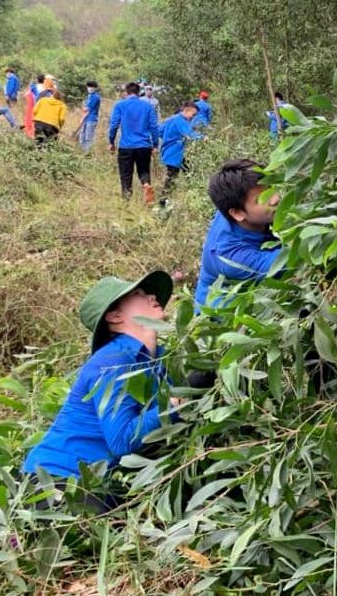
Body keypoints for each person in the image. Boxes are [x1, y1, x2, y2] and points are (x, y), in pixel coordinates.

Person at [21, 271, 180, 494]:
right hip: (56, 481)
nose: (151, 296)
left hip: (97, 483)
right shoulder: (112, 362)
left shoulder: (159, 360)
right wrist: (174, 404)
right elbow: (122, 440)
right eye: (138, 293)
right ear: (114, 316)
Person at [194, 159, 284, 312]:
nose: (275, 198)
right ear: (237, 213)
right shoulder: (231, 256)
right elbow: (290, 260)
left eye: (271, 187)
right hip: (224, 316)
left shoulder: (236, 205)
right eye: (261, 199)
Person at [109, 81, 161, 204]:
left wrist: (111, 141)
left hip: (126, 145)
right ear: (139, 93)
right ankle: (146, 184)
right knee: (144, 170)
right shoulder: (147, 106)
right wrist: (155, 144)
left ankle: (126, 201)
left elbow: (114, 125)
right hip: (143, 145)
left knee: (126, 174)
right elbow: (154, 127)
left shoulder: (120, 105)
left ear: (126, 93)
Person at [159, 101, 204, 201]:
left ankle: (194, 196)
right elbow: (190, 134)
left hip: (170, 152)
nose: (193, 117)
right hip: (175, 154)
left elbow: (159, 131)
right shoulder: (181, 121)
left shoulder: (171, 118)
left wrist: (169, 137)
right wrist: (204, 138)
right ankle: (162, 202)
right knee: (171, 179)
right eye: (193, 114)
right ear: (187, 111)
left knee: (188, 173)